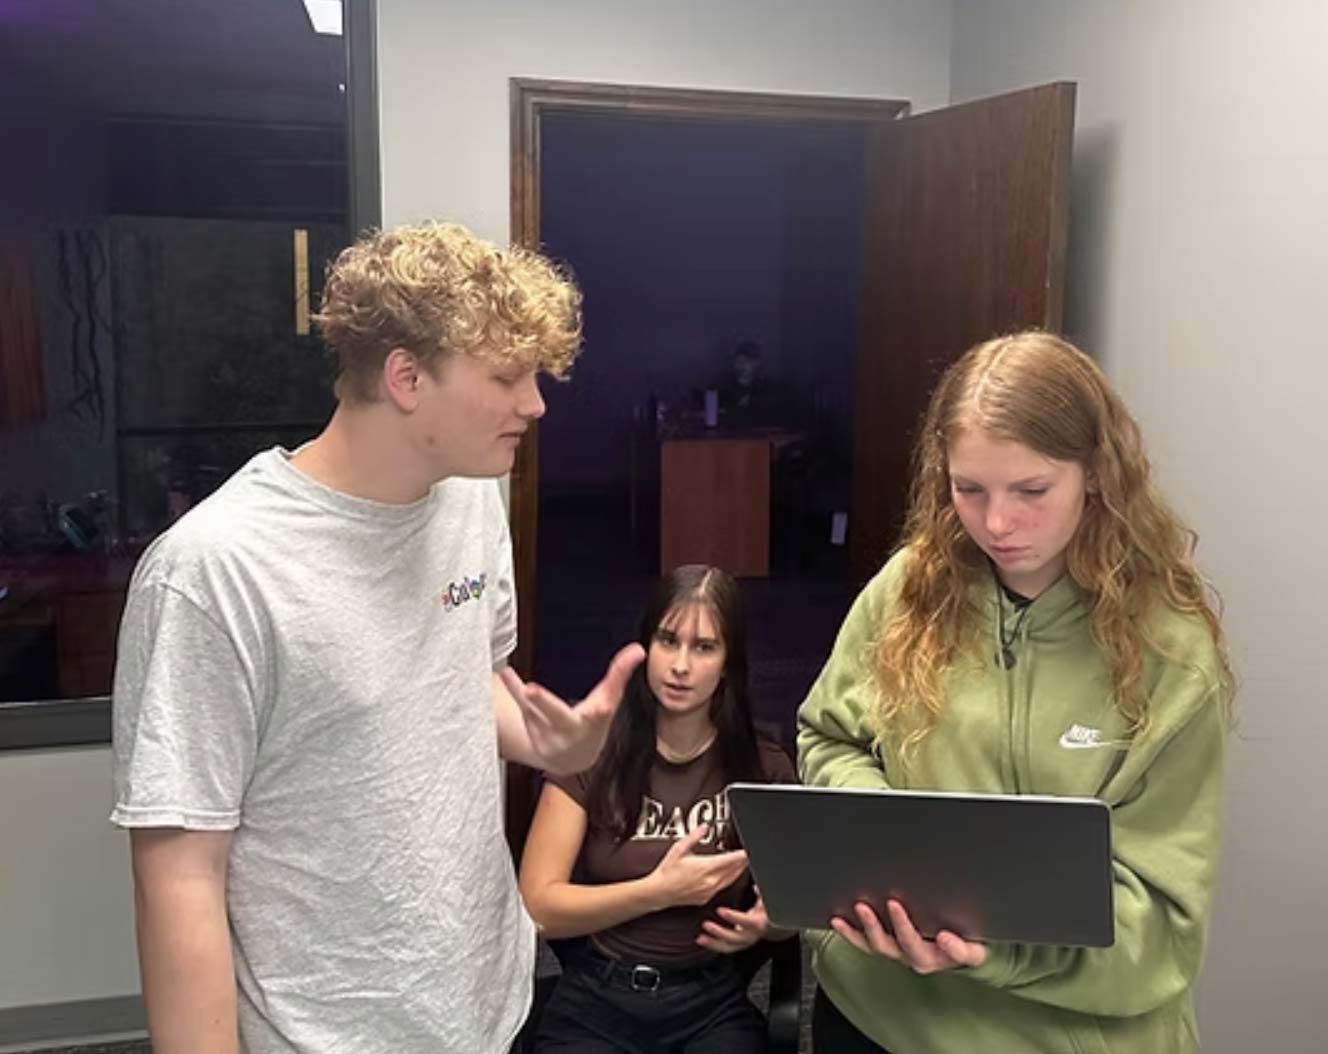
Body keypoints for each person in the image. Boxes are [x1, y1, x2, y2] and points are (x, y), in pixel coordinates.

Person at [110, 222, 644, 1054]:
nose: (536, 404)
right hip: (329, 1031)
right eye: (508, 376)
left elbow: (470, 675)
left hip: (483, 1000)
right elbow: (177, 876)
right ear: (405, 378)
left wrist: (546, 741)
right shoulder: (215, 573)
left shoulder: (468, 497)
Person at [798, 331, 1232, 1054]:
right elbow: (828, 736)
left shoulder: (1170, 654)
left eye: (1031, 491)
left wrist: (990, 943)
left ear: (1096, 472)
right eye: (969, 490)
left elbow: (1160, 924)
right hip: (878, 1015)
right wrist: (888, 846)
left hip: (1059, 1033)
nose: (997, 524)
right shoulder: (908, 589)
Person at [519, 564, 796, 1053]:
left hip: (708, 999)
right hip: (597, 996)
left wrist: (766, 925)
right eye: (668, 641)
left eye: (704, 647)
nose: (681, 665)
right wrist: (657, 892)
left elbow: (797, 904)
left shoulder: (763, 768)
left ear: (728, 661)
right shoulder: (590, 754)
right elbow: (539, 907)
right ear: (646, 647)